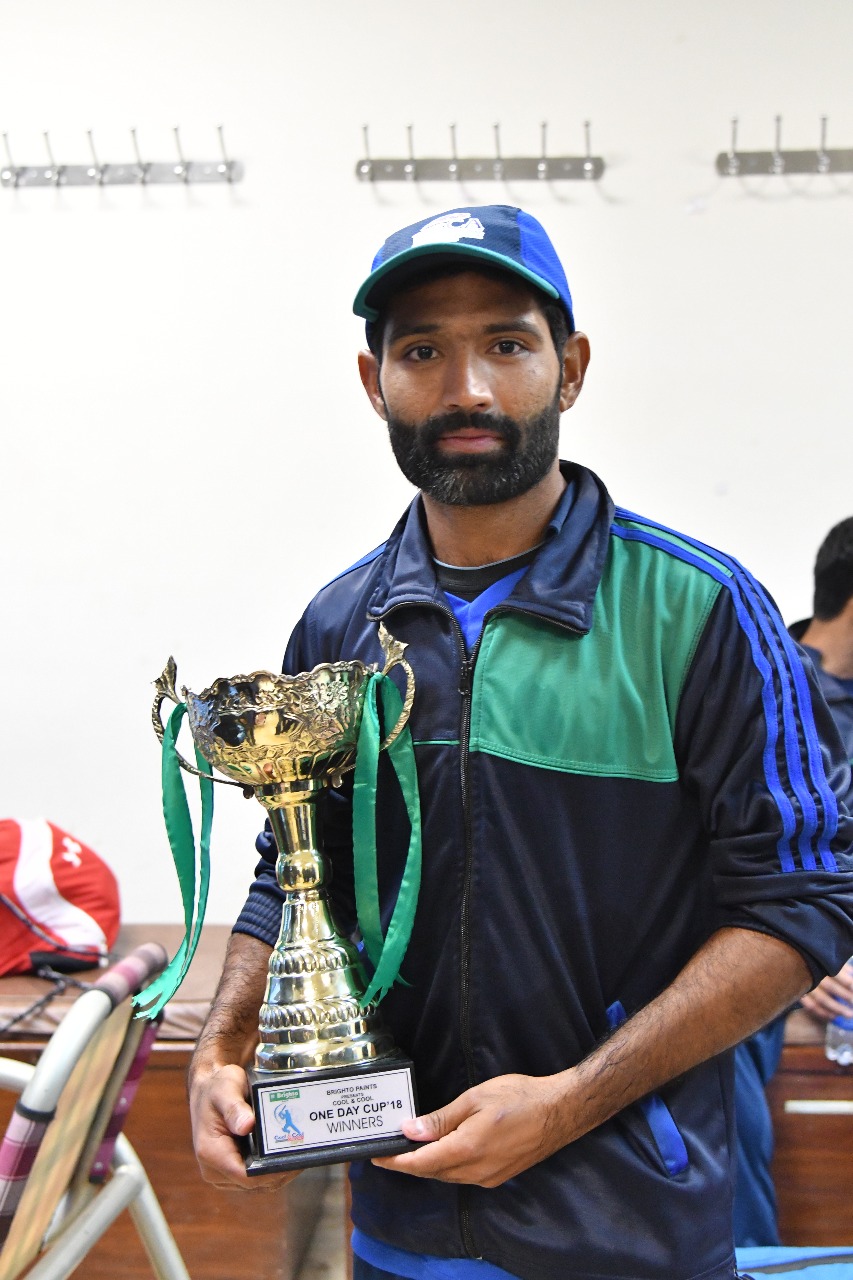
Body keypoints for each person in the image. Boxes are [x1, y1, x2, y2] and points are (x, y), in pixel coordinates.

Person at [188, 205, 853, 1280]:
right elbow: (294, 872)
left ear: (571, 366)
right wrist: (221, 1045)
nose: (467, 390)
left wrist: (569, 1102)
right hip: (396, 1224)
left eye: (506, 342)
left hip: (628, 1231)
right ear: (375, 383)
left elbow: (802, 897)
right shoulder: (338, 625)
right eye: (422, 351)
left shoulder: (699, 609)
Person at [733, 516, 853, 1248]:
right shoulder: (757, 682)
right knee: (723, 1055)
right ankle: (744, 1259)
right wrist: (796, 951)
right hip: (779, 943)